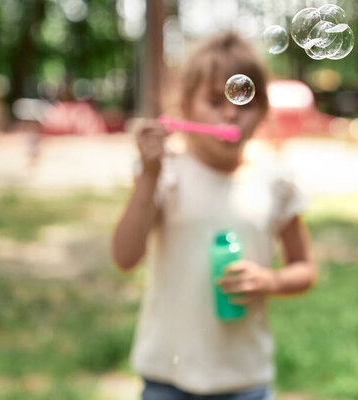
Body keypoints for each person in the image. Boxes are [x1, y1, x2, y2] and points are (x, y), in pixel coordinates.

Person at [111, 32, 317, 400]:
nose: (231, 112)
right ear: (185, 108)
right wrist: (148, 175)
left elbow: (305, 269)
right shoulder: (167, 173)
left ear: (264, 110)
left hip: (244, 378)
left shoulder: (276, 181)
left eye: (245, 101)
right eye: (213, 100)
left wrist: (269, 281)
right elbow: (125, 257)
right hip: (167, 375)